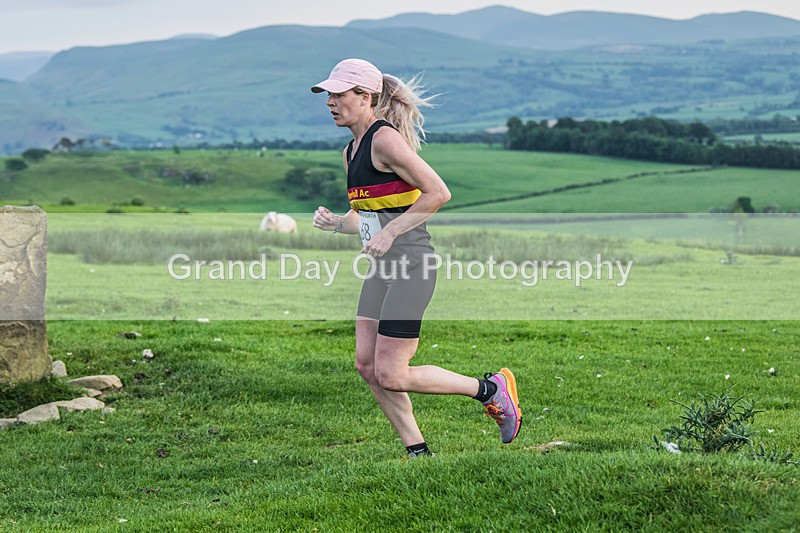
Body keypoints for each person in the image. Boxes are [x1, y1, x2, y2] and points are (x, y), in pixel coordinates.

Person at [311, 58, 521, 458]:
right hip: (381, 271)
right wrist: (339, 224)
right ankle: (418, 452)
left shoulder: (385, 140)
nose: (331, 102)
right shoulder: (350, 150)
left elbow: (438, 193)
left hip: (412, 267)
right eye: (329, 95)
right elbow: (368, 219)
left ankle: (490, 389)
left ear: (365, 96)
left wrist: (390, 232)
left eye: (340, 94)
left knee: (391, 372)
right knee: (367, 366)